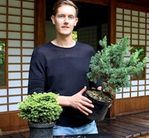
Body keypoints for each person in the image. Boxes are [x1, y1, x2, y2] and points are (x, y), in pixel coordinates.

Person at [28, 0, 100, 136]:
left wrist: (104, 89)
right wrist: (69, 101)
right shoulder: (41, 53)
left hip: (89, 124)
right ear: (53, 19)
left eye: (70, 17)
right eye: (61, 16)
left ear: (76, 21)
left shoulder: (88, 51)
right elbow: (34, 95)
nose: (66, 21)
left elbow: (96, 84)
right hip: (57, 126)